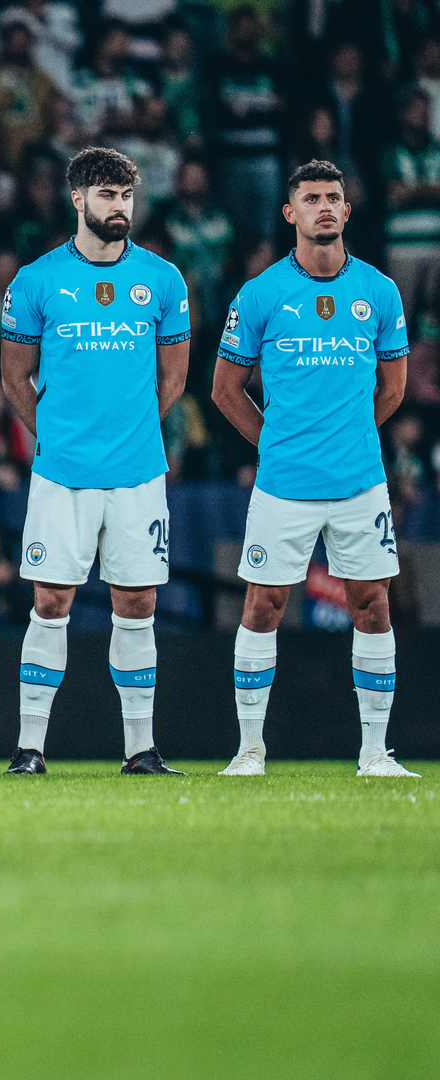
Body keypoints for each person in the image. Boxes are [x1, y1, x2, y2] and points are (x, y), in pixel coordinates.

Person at [211, 160, 418, 779]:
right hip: (284, 484)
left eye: (334, 197)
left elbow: (395, 386)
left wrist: (348, 436)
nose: (324, 206)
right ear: (290, 213)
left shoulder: (379, 291)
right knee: (263, 606)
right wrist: (276, 445)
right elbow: (225, 390)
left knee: (373, 606)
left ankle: (374, 753)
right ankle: (250, 750)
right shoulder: (261, 294)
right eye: (311, 198)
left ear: (347, 212)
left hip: (359, 482)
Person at [0, 147, 192, 776]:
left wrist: (128, 430)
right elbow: (14, 380)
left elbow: (174, 379)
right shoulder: (36, 280)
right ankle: (30, 748)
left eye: (127, 195)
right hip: (62, 475)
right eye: (107, 195)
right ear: (77, 199)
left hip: (138, 475)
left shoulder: (163, 280)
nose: (119, 207)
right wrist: (58, 435)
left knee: (137, 605)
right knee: (50, 602)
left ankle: (142, 748)